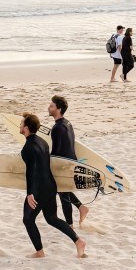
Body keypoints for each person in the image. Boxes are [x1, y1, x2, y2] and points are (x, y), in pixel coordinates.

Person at [19, 114, 86, 259]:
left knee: (28, 219)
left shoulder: (28, 148)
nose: (19, 125)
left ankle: (40, 252)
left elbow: (31, 171)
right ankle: (78, 241)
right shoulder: (43, 142)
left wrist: (30, 193)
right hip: (50, 186)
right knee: (51, 218)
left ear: (26, 128)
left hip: (38, 189)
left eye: (21, 124)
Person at [48, 95, 89, 228]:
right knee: (63, 191)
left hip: (64, 164)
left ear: (58, 109)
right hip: (72, 161)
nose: (49, 108)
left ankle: (70, 225)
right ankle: (81, 207)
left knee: (63, 193)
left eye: (51, 106)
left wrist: (48, 165)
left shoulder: (57, 128)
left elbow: (56, 152)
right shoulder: (67, 123)